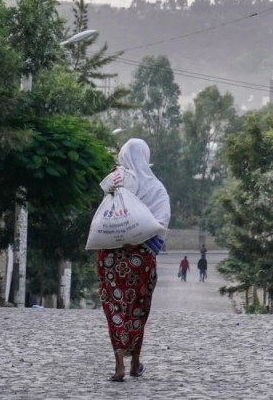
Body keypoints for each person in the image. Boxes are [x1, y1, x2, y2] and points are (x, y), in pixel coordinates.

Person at [96, 138, 170, 382]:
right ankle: (135, 362)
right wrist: (138, 239)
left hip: (111, 256)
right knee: (138, 308)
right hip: (141, 258)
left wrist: (120, 237)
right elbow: (161, 221)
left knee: (115, 307)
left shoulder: (116, 181)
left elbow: (107, 215)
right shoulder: (156, 188)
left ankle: (119, 364)